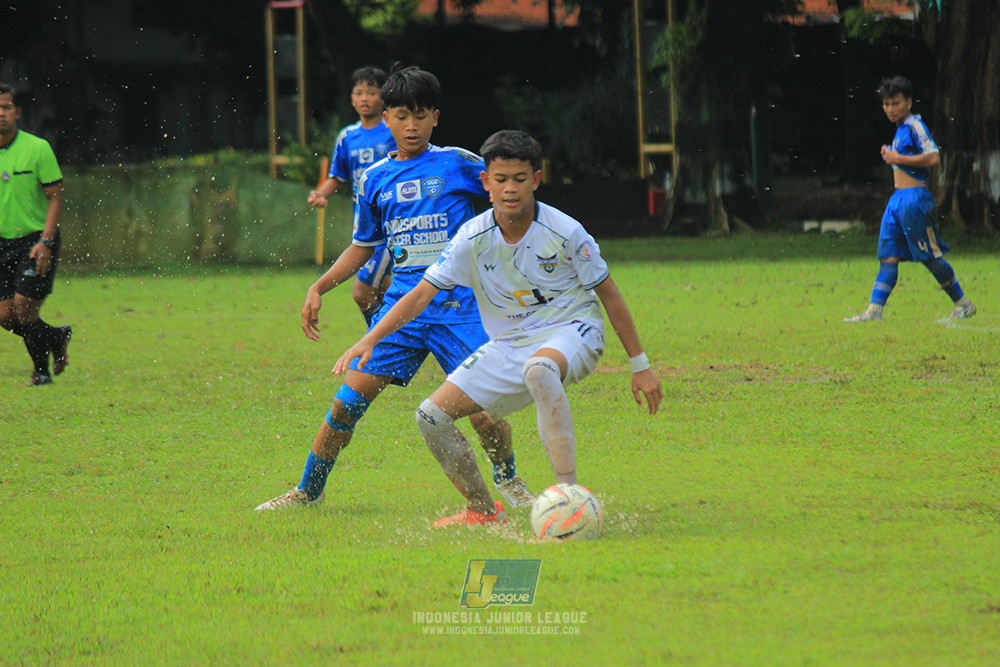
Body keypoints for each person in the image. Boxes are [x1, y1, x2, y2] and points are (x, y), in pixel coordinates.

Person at [333, 130, 663, 528]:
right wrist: (369, 339)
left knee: (539, 369)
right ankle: (482, 510)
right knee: (430, 415)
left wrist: (640, 365)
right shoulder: (472, 238)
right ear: (485, 182)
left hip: (573, 331)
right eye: (501, 179)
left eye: (520, 179)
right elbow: (420, 295)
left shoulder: (566, 232)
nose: (510, 189)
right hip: (509, 344)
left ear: (536, 180)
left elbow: (609, 294)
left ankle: (569, 499)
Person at [256, 67, 531, 513]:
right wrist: (320, 286)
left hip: (460, 309)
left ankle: (509, 479)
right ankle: (308, 491)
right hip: (401, 312)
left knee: (484, 410)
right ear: (387, 119)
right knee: (345, 404)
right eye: (402, 116)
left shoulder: (459, 163)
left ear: (435, 118)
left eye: (420, 116)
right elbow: (364, 245)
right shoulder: (374, 179)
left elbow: (507, 188)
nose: (411, 126)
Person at [845, 75, 976, 323]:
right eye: (886, 104)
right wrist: (893, 156)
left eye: (895, 103)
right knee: (889, 256)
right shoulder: (900, 130)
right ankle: (874, 311)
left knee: (929, 256)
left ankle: (963, 304)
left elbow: (933, 157)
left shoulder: (916, 126)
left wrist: (898, 159)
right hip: (897, 200)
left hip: (915, 200)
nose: (890, 109)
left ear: (908, 102)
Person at [307, 66, 396, 326]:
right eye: (359, 93)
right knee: (382, 290)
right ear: (351, 98)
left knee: (361, 292)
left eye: (371, 92)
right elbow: (338, 176)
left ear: (384, 97)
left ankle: (381, 344)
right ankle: (400, 333)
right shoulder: (347, 137)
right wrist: (322, 194)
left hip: (389, 222)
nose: (365, 98)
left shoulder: (393, 132)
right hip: (364, 223)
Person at [0, 82, 71, 386]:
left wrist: (45, 241)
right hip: (2, 243)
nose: (0, 114)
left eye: (5, 107)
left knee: (24, 310)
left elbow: (56, 196)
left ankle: (41, 372)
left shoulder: (38, 148)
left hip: (35, 240)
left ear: (17, 111)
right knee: (5, 316)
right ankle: (56, 336)